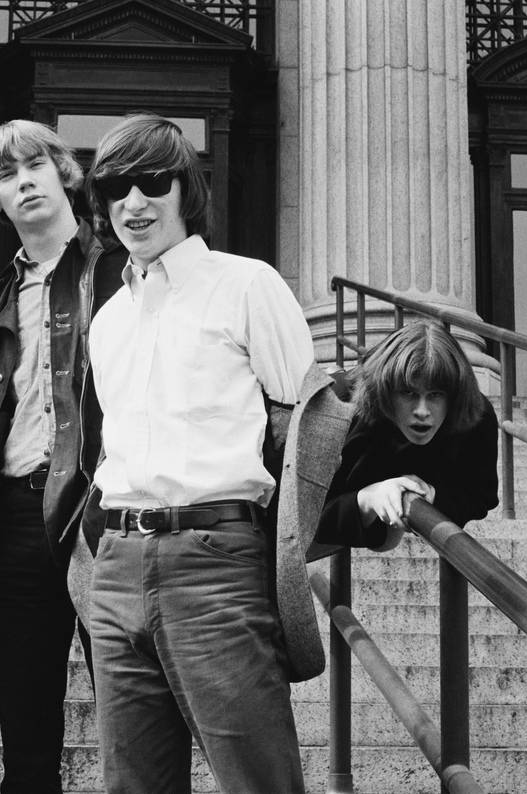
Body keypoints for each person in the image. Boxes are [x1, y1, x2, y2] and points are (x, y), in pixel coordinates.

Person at [83, 113, 314, 793]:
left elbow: (306, 422)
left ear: (187, 189)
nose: (134, 202)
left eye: (153, 182)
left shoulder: (246, 286)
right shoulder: (108, 319)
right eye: (117, 186)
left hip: (215, 560)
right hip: (117, 564)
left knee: (258, 780)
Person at [0, 119, 125, 794]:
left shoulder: (114, 271)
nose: (21, 181)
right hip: (17, 515)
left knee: (133, 707)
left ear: (63, 175)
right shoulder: (0, 293)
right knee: (24, 727)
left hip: (101, 511)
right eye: (4, 174)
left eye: (34, 165)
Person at [314, 320, 498, 550]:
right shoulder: (339, 403)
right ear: (386, 389)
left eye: (435, 395)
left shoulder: (476, 415)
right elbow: (298, 508)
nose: (422, 411)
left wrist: (434, 498)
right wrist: (368, 498)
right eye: (408, 392)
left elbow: (479, 497)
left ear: (453, 395)